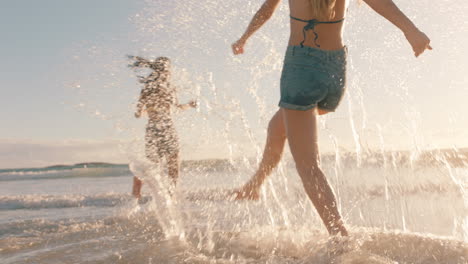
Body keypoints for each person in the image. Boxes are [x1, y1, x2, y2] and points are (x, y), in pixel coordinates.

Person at [231, 0, 431, 236]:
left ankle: (339, 237)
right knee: (278, 127)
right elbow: (381, 3)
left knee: (308, 166)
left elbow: (266, 10)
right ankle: (255, 185)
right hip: (334, 72)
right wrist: (411, 31)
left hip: (301, 71)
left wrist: (244, 37)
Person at [128, 56, 197, 199]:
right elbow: (175, 108)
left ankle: (137, 190)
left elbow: (137, 114)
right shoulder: (170, 88)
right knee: (173, 163)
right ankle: (171, 195)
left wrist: (150, 110)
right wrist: (189, 105)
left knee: (152, 163)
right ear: (167, 71)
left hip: (152, 128)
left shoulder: (146, 88)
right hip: (167, 128)